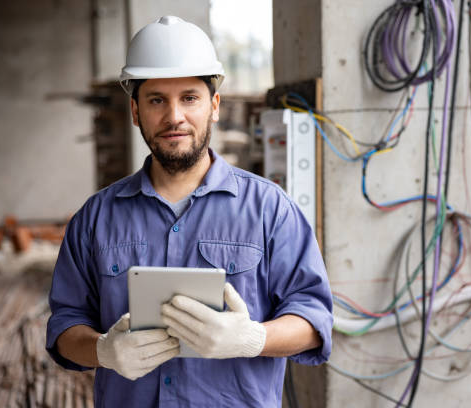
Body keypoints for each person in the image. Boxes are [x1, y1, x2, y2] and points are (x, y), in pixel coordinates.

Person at [45, 15, 333, 407]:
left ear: (214, 106)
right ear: (135, 111)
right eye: (156, 100)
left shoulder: (270, 210)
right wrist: (102, 350)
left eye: (190, 98)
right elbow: (65, 326)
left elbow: (314, 320)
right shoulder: (95, 219)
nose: (174, 117)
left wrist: (252, 339)